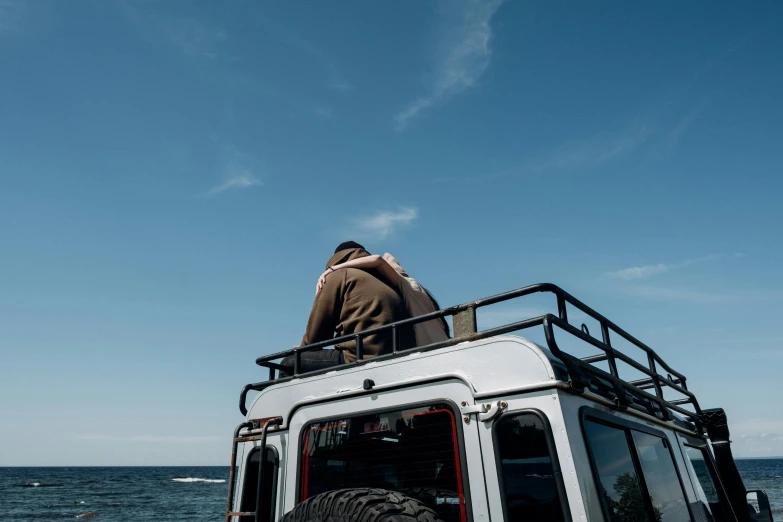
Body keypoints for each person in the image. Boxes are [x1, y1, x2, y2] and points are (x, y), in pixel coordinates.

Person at [280, 241, 414, 375]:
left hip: (361, 358)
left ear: (336, 259)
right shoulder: (388, 282)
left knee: (289, 363)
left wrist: (304, 348)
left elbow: (318, 330)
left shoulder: (338, 275)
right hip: (399, 356)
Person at [316, 251, 449, 347]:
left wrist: (334, 269)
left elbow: (378, 260)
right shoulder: (423, 295)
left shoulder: (408, 284)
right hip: (440, 349)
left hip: (426, 351)